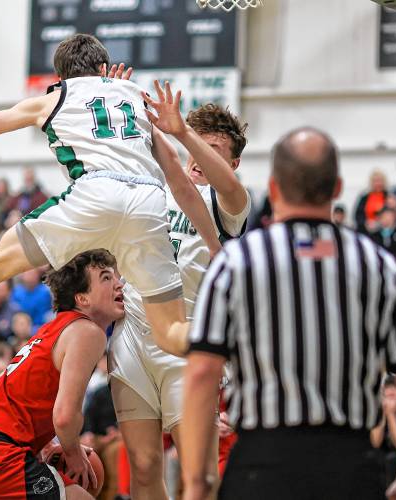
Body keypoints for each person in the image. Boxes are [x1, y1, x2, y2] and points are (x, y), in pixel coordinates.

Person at [0, 34, 224, 363]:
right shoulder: (133, 96)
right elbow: (176, 172)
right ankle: (237, 338)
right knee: (172, 332)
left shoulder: (55, 97)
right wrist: (215, 245)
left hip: (97, 191)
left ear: (61, 76)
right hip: (148, 199)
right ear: (103, 68)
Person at [181, 127, 396, 500]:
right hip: (351, 466)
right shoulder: (377, 264)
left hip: (261, 464)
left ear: (274, 187)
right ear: (336, 189)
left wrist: (196, 481)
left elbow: (201, 374)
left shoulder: (237, 263)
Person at [108, 103, 250, 499]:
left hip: (187, 341)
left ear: (233, 163)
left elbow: (229, 190)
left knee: (198, 472)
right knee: (144, 465)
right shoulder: (154, 185)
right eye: (197, 145)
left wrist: (183, 133)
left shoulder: (230, 204)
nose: (201, 155)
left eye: (215, 149)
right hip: (134, 332)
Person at [0, 249, 125, 499]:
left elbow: (12, 390)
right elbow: (64, 416)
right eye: (106, 278)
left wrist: (45, 442)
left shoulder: (52, 329)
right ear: (82, 298)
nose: (118, 283)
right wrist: (72, 453)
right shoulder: (87, 331)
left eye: (115, 275)